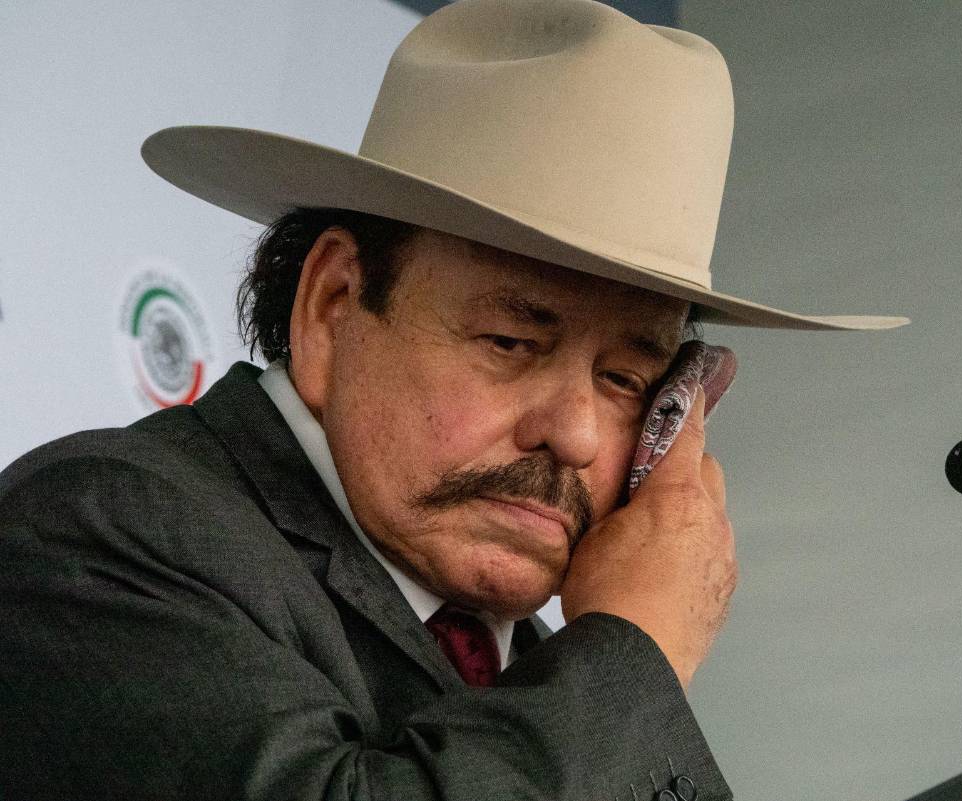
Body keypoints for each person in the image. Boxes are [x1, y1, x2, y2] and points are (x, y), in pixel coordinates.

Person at [0, 1, 907, 799]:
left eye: (627, 380)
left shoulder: (557, 681)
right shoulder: (96, 526)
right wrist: (641, 643)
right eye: (511, 341)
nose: (577, 434)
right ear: (332, 307)